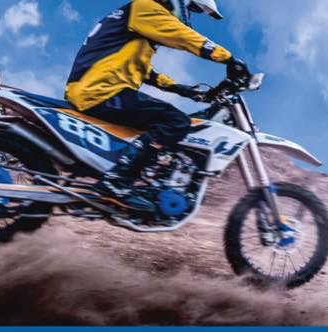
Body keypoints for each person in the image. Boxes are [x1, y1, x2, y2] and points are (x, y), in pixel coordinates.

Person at [64, 0, 252, 212]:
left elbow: (144, 70)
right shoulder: (144, 7)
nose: (190, 15)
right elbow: (182, 36)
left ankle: (136, 180)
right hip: (101, 90)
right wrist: (228, 59)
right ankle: (117, 181)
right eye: (193, 9)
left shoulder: (138, 21)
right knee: (176, 121)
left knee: (158, 123)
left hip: (98, 88)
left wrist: (181, 89)